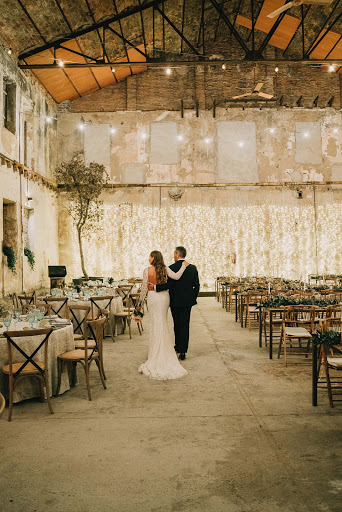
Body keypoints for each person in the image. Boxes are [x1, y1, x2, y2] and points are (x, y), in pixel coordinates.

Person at [137, 250, 189, 380]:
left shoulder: (146, 270)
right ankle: (165, 353)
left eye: (149, 256)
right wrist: (183, 266)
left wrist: (139, 303)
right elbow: (177, 277)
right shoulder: (165, 268)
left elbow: (144, 289)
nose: (148, 258)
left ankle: (155, 354)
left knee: (155, 324)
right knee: (163, 323)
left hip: (153, 298)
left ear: (153, 257)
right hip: (164, 297)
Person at [148, 246, 200, 360]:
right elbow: (197, 285)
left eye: (174, 253)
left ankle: (177, 347)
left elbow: (169, 285)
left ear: (177, 254)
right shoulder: (192, 268)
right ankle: (183, 351)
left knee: (177, 324)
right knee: (185, 325)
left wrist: (156, 287)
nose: (173, 255)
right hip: (187, 302)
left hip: (175, 301)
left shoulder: (172, 267)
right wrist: (192, 297)